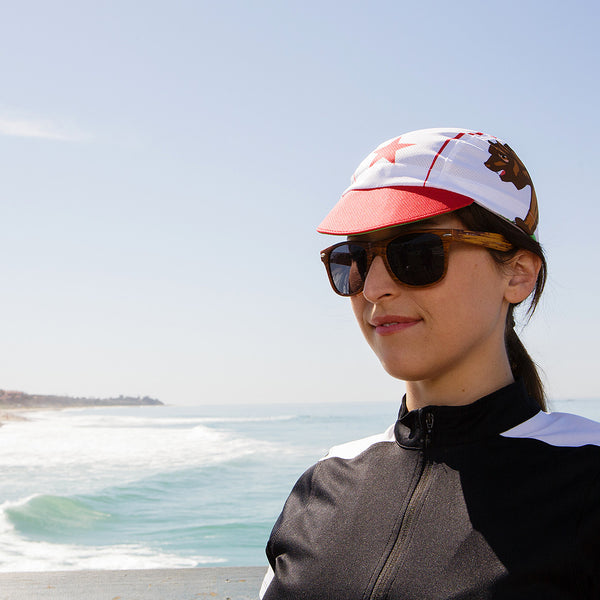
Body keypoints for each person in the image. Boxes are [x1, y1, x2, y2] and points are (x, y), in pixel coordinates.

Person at [259, 128, 600, 599]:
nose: (374, 287)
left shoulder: (586, 475)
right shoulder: (323, 486)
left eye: (416, 254)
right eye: (354, 259)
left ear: (518, 274)